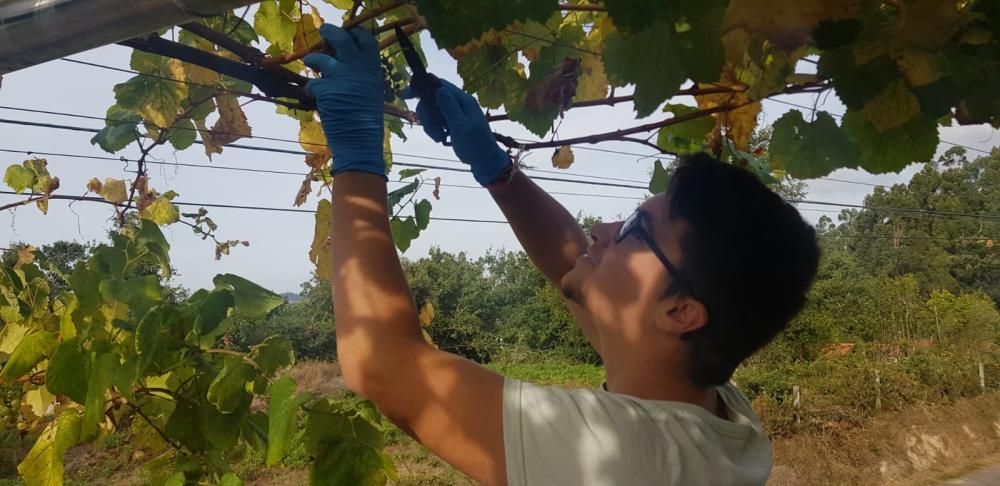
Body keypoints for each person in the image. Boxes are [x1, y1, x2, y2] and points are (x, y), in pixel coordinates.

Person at [304, 24, 820, 486]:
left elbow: (381, 365)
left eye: (636, 230)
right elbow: (571, 256)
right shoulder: (717, 411)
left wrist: (357, 151)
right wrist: (495, 169)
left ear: (681, 311)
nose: (602, 229)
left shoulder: (624, 456)